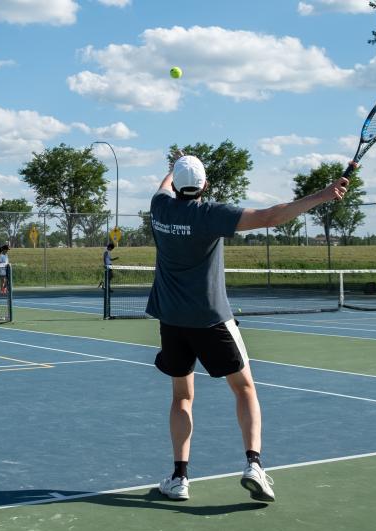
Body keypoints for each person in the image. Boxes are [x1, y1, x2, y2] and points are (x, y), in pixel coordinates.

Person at [150, 152, 349, 503]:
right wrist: (322, 195)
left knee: (182, 397)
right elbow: (271, 216)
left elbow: (165, 186)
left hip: (172, 321)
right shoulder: (211, 215)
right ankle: (253, 465)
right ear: (205, 186)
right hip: (211, 319)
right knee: (244, 390)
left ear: (175, 184)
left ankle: (179, 478)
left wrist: (174, 166)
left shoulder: (160, 207)